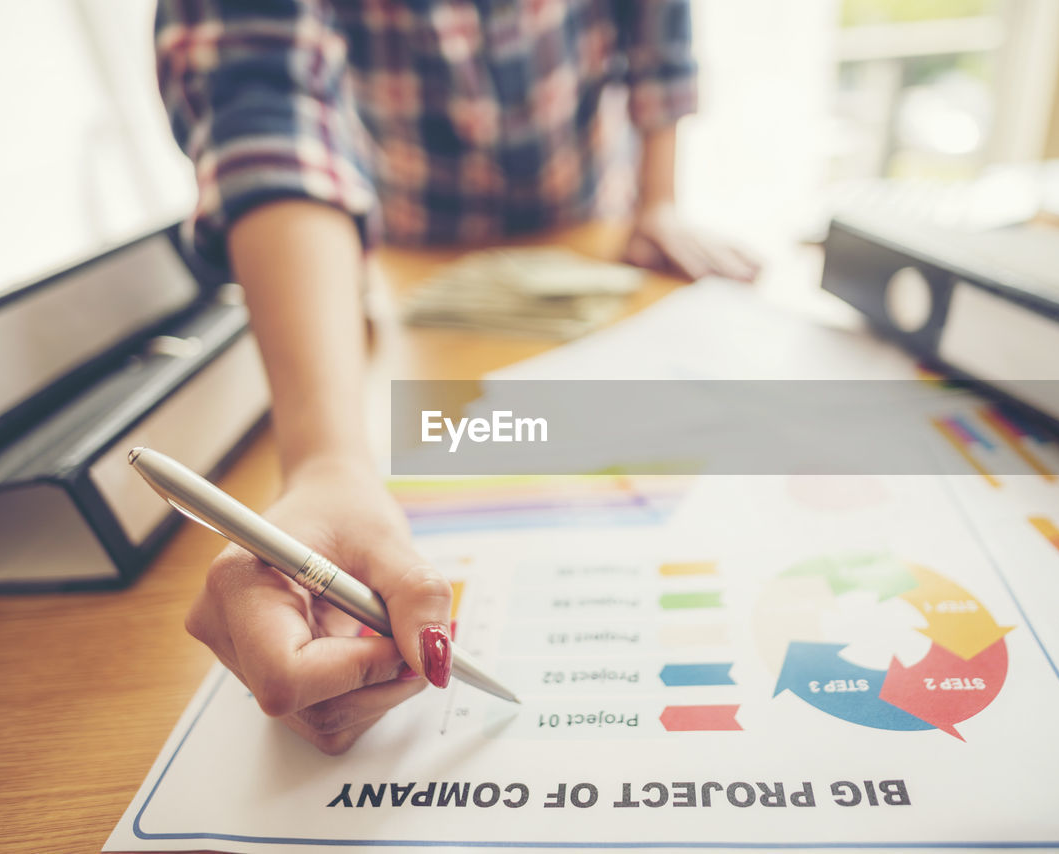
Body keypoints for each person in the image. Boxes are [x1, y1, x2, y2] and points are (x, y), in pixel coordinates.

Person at [155, 0, 759, 754]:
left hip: (586, 219)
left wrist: (660, 198)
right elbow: (263, 118)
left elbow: (657, 25)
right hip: (402, 248)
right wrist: (326, 460)